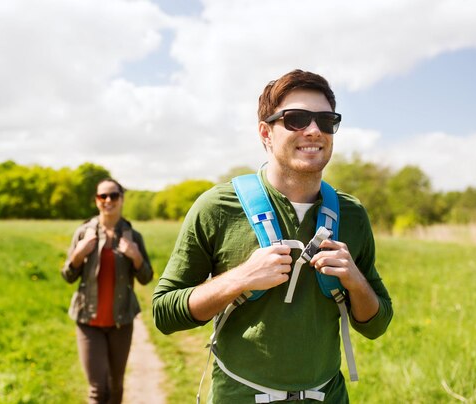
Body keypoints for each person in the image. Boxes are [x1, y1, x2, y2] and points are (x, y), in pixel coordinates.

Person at [152, 69, 393, 403]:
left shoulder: (352, 215)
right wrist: (240, 278)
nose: (313, 130)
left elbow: (376, 324)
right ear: (265, 133)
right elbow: (164, 312)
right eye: (295, 119)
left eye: (326, 120)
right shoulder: (217, 207)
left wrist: (355, 280)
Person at [61, 178, 153, 404]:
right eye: (103, 196)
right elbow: (68, 276)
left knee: (115, 387)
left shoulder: (132, 236)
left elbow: (146, 277)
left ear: (121, 199)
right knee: (97, 389)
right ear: (96, 200)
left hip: (121, 322)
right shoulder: (83, 233)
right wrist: (78, 254)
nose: (108, 200)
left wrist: (135, 256)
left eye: (113, 195)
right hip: (88, 321)